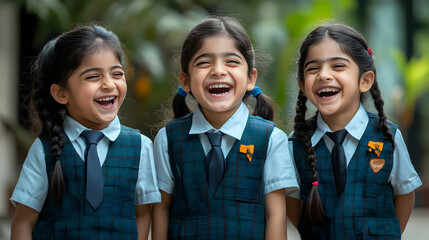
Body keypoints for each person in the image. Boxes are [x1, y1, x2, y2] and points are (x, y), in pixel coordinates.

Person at [151, 16, 299, 239]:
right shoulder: (167, 139)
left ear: (251, 78)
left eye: (231, 61)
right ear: (185, 81)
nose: (218, 71)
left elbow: (276, 215)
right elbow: (161, 209)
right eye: (203, 62)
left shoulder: (271, 139)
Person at [10, 24, 160, 239]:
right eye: (93, 77)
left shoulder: (141, 146)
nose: (109, 84)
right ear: (61, 93)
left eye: (117, 74)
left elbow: (142, 214)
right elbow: (23, 221)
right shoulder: (44, 149)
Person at [286, 23, 422, 239]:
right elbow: (293, 203)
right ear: (302, 86)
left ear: (365, 80)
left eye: (338, 66)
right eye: (313, 68)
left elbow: (405, 195)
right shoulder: (295, 144)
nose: (324, 75)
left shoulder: (388, 136)